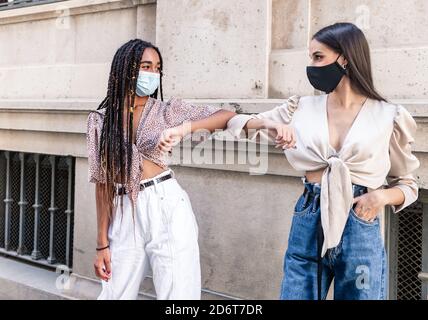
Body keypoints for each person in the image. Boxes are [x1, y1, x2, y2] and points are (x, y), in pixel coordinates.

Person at [225, 22, 420, 300]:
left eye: (318, 57)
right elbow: (238, 122)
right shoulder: (300, 108)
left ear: (345, 58)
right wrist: (271, 124)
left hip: (360, 218)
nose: (312, 67)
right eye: (311, 58)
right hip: (310, 214)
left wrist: (379, 199)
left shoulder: (389, 116)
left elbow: (408, 184)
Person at [86, 39, 235, 300]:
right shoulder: (99, 121)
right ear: (126, 69)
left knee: (179, 294)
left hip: (165, 202)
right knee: (114, 295)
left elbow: (225, 116)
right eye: (146, 66)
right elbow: (102, 183)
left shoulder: (167, 110)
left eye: (157, 68)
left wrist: (184, 129)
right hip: (123, 210)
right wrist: (102, 244)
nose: (152, 74)